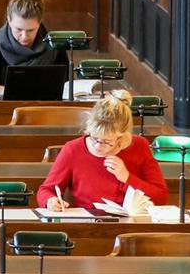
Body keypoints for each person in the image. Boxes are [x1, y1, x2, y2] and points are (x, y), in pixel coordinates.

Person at [36, 91, 168, 212]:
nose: (98, 146)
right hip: (89, 225)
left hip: (131, 223)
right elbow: (46, 190)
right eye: (94, 138)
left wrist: (127, 177)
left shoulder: (139, 146)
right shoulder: (73, 149)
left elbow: (161, 197)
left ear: (122, 137)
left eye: (107, 142)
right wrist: (50, 201)